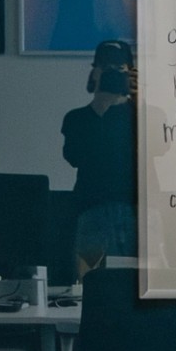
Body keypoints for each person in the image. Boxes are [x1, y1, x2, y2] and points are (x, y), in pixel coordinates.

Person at [56, 39, 138, 259]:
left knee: (145, 280)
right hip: (91, 209)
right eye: (106, 68)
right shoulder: (77, 119)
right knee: (91, 281)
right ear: (94, 73)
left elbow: (158, 148)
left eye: (119, 69)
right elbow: (75, 156)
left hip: (140, 211)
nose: (112, 74)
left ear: (131, 73)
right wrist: (101, 108)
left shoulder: (145, 115)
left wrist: (136, 100)